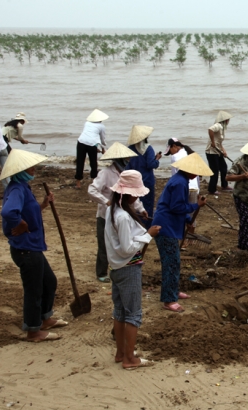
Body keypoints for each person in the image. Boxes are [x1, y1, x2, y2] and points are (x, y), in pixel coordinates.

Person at [0, 149, 68, 342]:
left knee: (49, 282)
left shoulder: (23, 186)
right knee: (34, 289)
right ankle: (33, 330)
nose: (35, 168)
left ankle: (44, 318)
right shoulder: (16, 189)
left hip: (32, 246)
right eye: (31, 166)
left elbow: (27, 212)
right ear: (22, 169)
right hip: (26, 249)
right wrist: (19, 224)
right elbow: (8, 212)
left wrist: (43, 205)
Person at [105, 170, 161, 369]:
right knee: (134, 314)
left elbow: (122, 243)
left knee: (120, 311)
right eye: (135, 193)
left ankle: (121, 353)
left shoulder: (113, 211)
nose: (137, 197)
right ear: (127, 193)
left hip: (117, 268)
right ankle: (130, 358)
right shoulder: (123, 218)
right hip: (128, 269)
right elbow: (128, 248)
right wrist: (149, 235)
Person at [152, 153, 210, 312]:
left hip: (170, 223)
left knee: (174, 261)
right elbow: (176, 207)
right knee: (171, 262)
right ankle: (169, 300)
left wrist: (187, 219)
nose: (197, 174)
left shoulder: (181, 180)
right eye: (196, 171)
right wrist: (195, 206)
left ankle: (173, 290)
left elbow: (178, 206)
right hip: (165, 226)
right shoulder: (180, 183)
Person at [88, 142, 146, 283]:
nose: (129, 160)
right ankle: (101, 272)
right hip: (105, 214)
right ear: (120, 159)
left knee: (120, 242)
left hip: (122, 214)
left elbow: (132, 192)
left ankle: (117, 266)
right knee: (104, 244)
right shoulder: (106, 173)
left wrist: (141, 209)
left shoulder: (126, 175)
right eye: (126, 158)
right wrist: (105, 201)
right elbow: (91, 190)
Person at [163, 138, 199, 240]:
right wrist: (198, 190)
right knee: (191, 214)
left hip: (182, 187)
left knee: (180, 211)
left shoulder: (175, 157)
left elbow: (175, 176)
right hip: (193, 187)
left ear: (174, 146)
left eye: (170, 151)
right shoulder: (190, 153)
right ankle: (189, 239)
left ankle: (183, 238)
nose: (170, 153)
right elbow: (196, 175)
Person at [126, 125, 160, 228]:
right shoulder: (148, 148)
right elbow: (151, 164)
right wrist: (157, 160)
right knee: (148, 205)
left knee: (136, 203)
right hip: (147, 180)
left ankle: (137, 224)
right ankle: (146, 226)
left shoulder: (130, 149)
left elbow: (127, 166)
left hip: (134, 180)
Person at [75, 109, 108, 189]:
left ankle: (78, 184)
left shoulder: (87, 123)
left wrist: (96, 148)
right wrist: (103, 149)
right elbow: (102, 139)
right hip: (92, 144)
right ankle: (94, 182)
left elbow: (88, 135)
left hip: (81, 142)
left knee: (80, 162)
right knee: (93, 163)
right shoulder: (101, 126)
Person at [206, 110, 233, 195]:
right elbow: (210, 129)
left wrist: (224, 151)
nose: (229, 121)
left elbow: (220, 143)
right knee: (215, 171)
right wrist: (212, 142)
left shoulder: (223, 128)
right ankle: (212, 190)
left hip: (218, 151)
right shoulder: (218, 125)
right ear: (225, 120)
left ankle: (224, 186)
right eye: (228, 120)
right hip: (211, 152)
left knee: (224, 167)